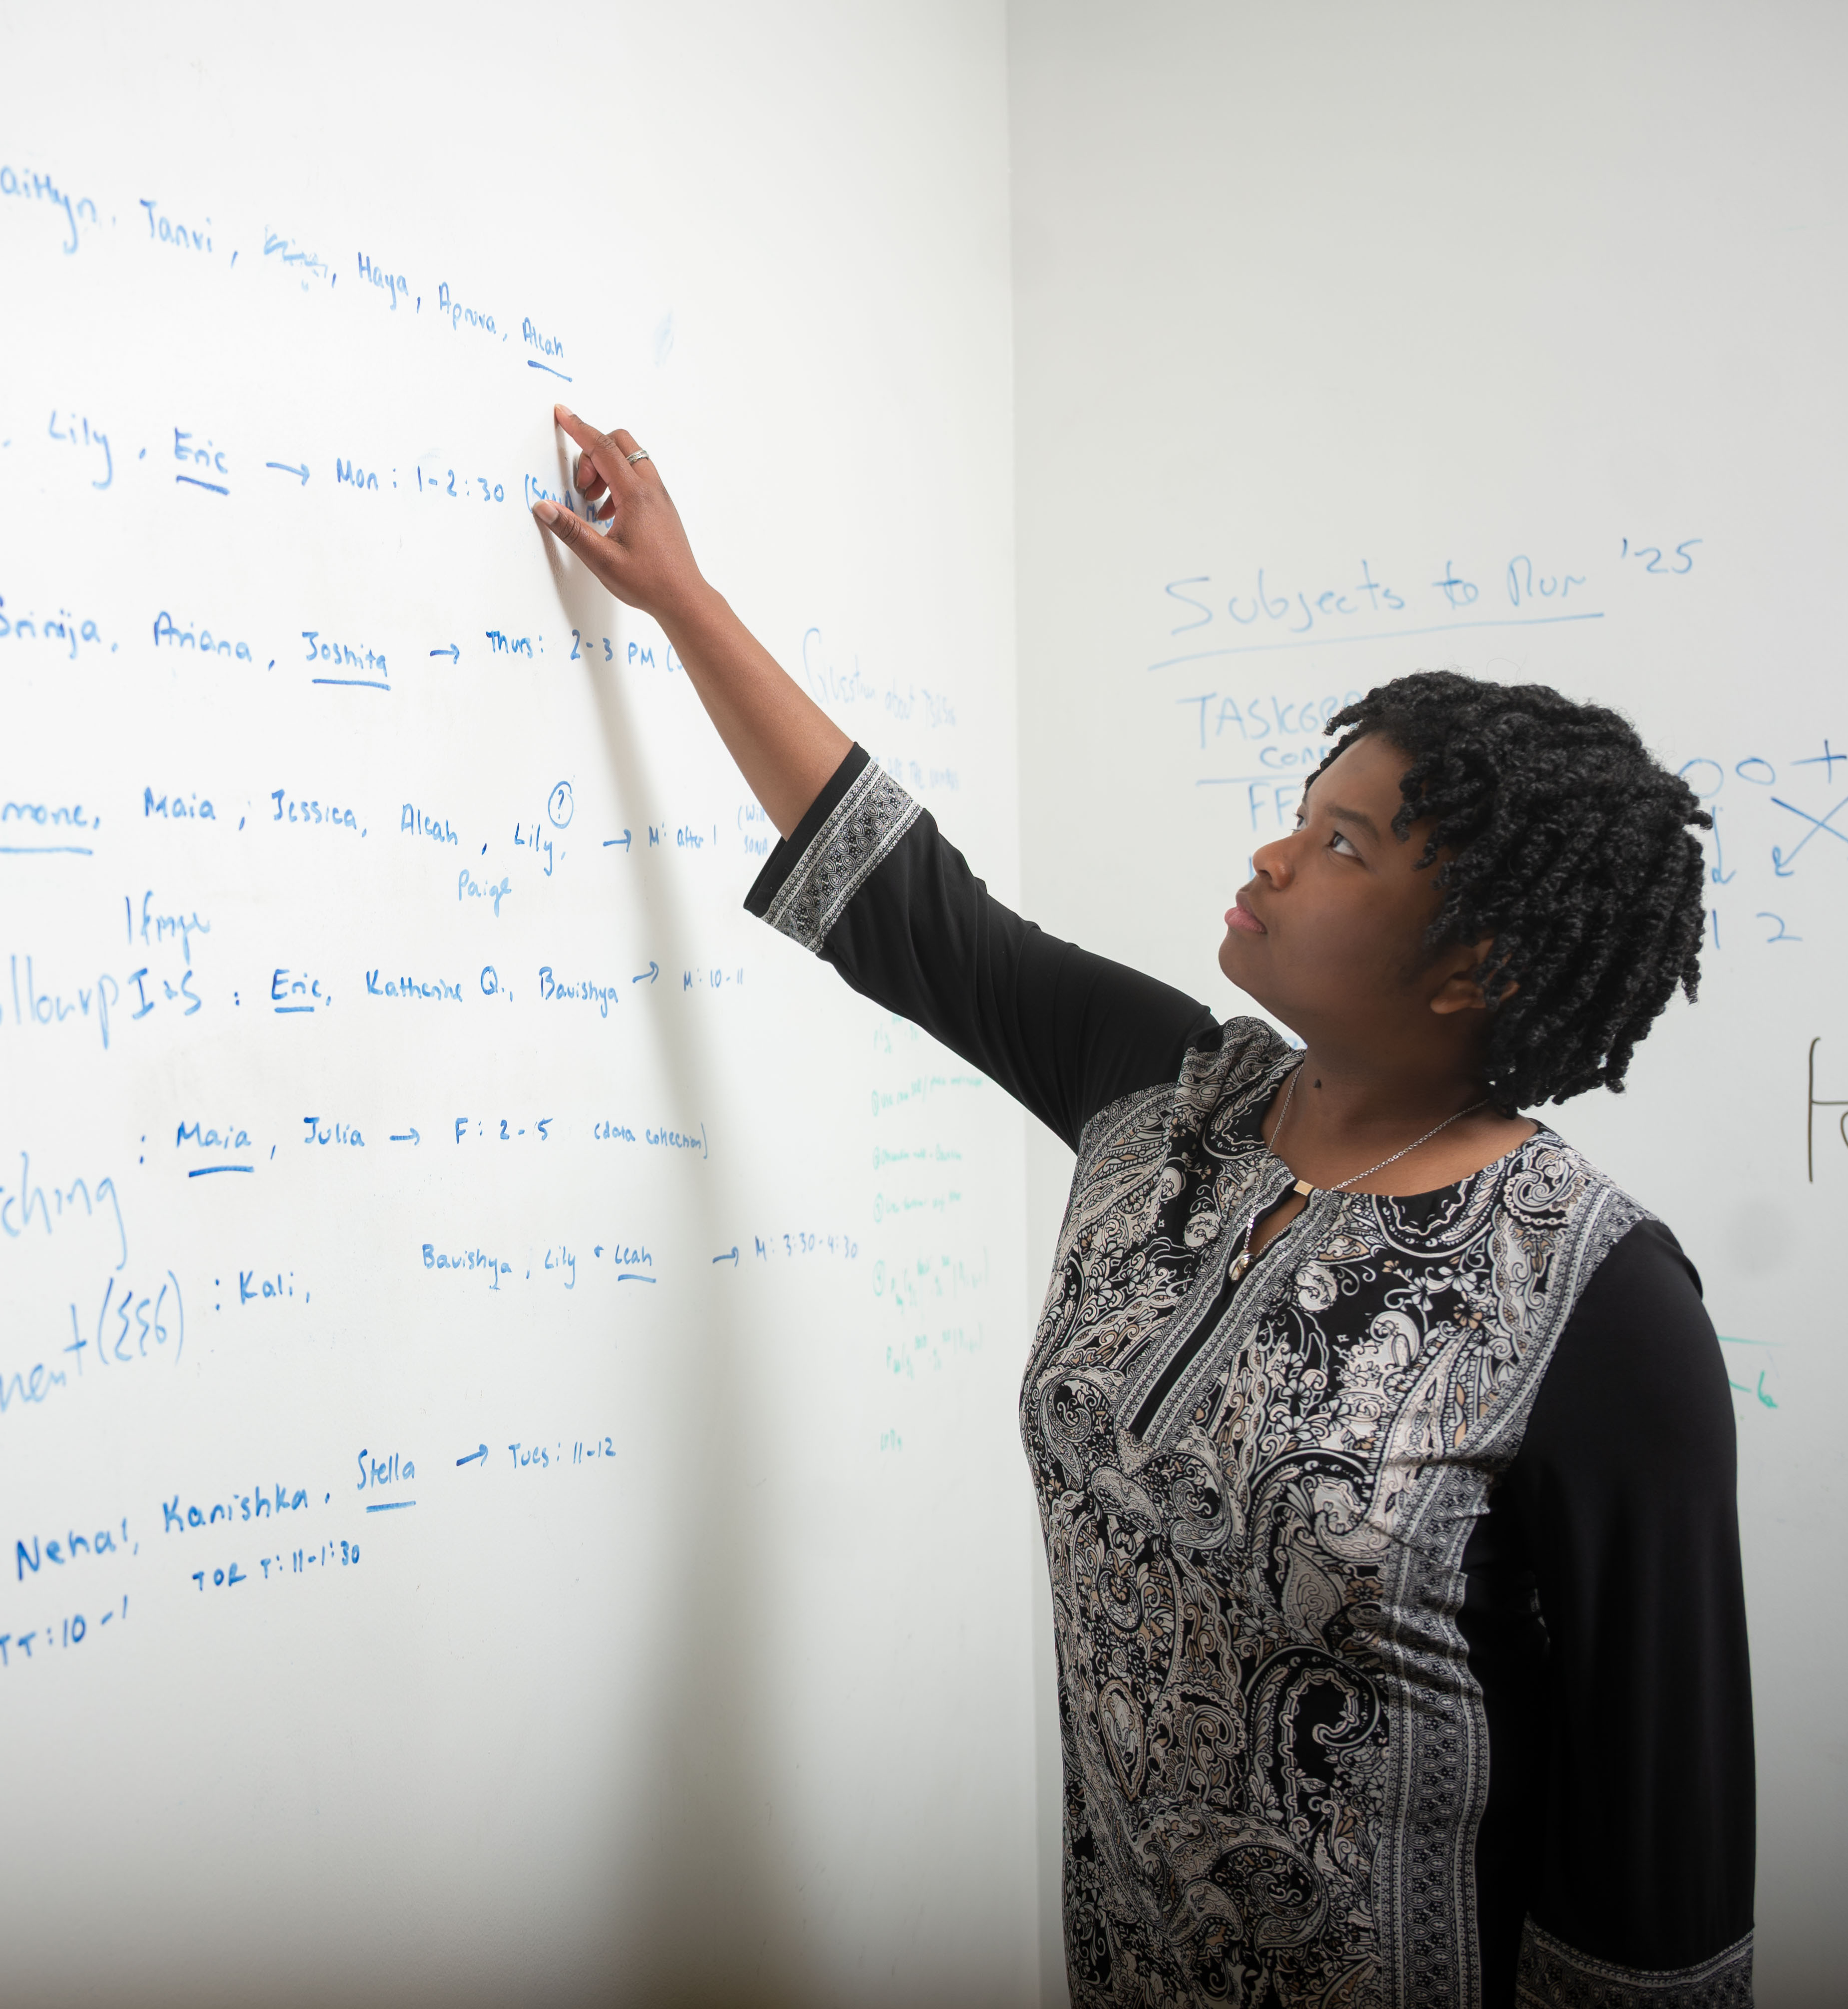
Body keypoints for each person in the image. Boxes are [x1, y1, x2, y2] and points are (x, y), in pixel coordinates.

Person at [531, 408, 1754, 2009]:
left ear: (1479, 968)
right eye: (1303, 807)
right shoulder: (1167, 1097)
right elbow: (909, 907)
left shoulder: (1601, 1304)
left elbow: (1660, 1853)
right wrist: (683, 599)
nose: (1273, 852)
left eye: (1341, 844)